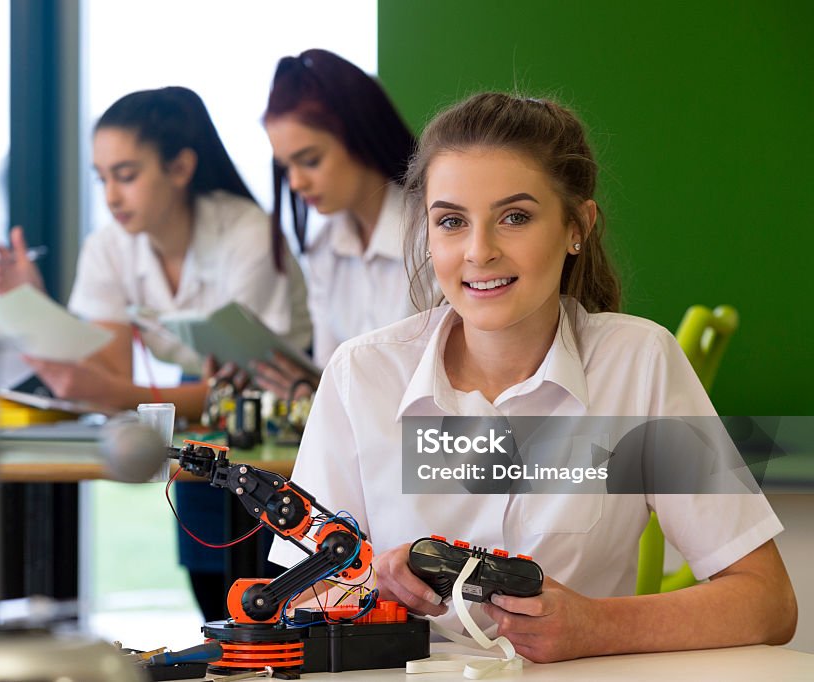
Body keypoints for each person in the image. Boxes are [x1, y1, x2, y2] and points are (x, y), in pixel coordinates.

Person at [269, 92, 796, 662]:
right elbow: (289, 601)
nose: (479, 251)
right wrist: (375, 591)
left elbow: (768, 602)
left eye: (514, 217)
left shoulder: (637, 360)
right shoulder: (361, 374)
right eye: (451, 221)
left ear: (578, 226)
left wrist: (597, 625)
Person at [0, 86, 312, 419]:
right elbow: (112, 375)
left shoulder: (250, 235)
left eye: (126, 176)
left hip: (289, 403)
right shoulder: (107, 247)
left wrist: (112, 393)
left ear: (181, 168)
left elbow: (248, 387)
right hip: (202, 396)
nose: (111, 197)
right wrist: (31, 301)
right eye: (102, 179)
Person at [245, 49, 417, 399]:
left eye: (309, 160)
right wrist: (306, 389)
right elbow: (331, 377)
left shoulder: (436, 232)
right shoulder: (324, 249)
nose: (295, 183)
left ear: (361, 135)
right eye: (285, 167)